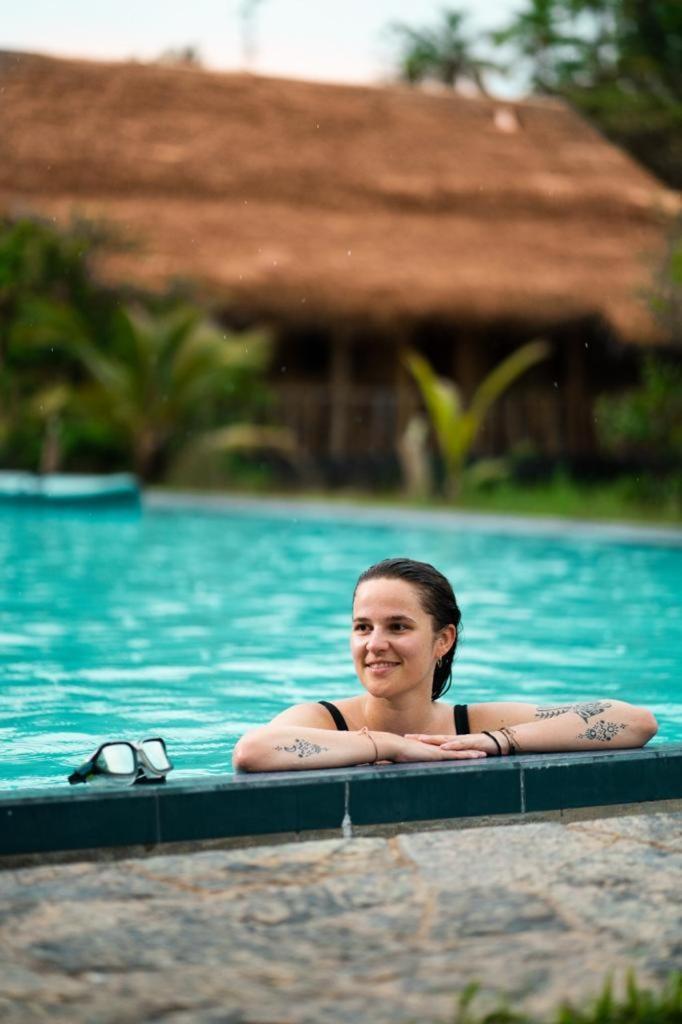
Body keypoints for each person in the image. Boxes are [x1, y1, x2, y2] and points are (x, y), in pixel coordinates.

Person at [233, 557, 658, 772]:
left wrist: (499, 742)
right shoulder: (325, 720)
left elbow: (634, 722)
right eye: (363, 627)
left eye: (398, 626)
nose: (375, 644)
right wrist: (391, 746)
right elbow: (252, 752)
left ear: (443, 639)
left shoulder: (471, 726)